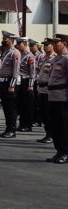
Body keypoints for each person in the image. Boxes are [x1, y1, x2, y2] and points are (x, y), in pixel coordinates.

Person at [46, 34, 68, 164]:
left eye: (57, 43)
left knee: (64, 127)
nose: (54, 45)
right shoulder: (56, 59)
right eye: (53, 43)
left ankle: (65, 152)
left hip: (63, 98)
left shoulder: (66, 59)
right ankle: (59, 151)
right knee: (55, 126)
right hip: (53, 97)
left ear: (64, 43)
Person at [0, 31, 21, 138]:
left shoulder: (15, 53)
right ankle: (8, 128)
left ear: (11, 40)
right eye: (3, 38)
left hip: (9, 83)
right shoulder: (4, 52)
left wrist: (12, 85)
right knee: (6, 107)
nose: (3, 40)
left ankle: (12, 130)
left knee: (11, 108)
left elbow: (15, 71)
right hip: (3, 82)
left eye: (5, 39)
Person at [36, 38, 56, 144]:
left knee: (49, 114)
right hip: (41, 89)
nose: (45, 47)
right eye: (44, 45)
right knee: (43, 113)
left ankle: (51, 135)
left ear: (52, 46)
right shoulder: (44, 58)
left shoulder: (54, 58)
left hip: (48, 90)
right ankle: (47, 133)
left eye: (47, 45)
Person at [16, 37, 36, 132]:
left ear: (24, 44)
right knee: (20, 105)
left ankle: (28, 125)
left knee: (27, 105)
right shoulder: (20, 55)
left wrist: (31, 85)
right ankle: (22, 123)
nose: (18, 46)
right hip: (20, 82)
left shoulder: (30, 56)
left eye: (19, 44)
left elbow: (32, 73)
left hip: (26, 81)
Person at [29, 39, 44, 127]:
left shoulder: (40, 56)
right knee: (33, 101)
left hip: (38, 79)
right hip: (33, 80)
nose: (31, 48)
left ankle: (38, 120)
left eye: (32, 46)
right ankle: (34, 119)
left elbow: (40, 68)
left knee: (37, 102)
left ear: (36, 46)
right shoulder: (32, 55)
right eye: (30, 46)